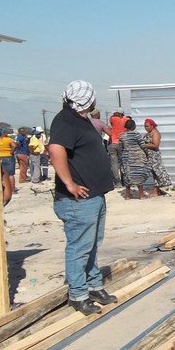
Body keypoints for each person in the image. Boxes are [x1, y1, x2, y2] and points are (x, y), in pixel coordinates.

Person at [48, 80, 117, 315]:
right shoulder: (65, 120)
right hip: (78, 200)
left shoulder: (80, 119)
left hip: (94, 195)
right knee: (80, 246)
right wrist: (69, 183)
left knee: (92, 244)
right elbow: (55, 149)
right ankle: (78, 294)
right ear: (88, 99)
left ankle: (93, 284)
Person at [121, 119, 150, 200]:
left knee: (127, 175)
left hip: (126, 157)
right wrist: (147, 154)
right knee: (139, 174)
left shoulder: (122, 135)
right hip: (137, 157)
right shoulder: (137, 134)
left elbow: (120, 147)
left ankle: (127, 196)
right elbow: (143, 146)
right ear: (134, 126)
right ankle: (141, 195)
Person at [143, 118, 172, 196]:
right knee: (154, 173)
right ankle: (156, 190)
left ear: (152, 126)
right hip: (149, 156)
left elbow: (156, 145)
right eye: (145, 126)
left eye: (147, 126)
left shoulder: (155, 133)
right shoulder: (149, 133)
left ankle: (156, 190)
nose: (146, 128)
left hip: (154, 156)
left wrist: (144, 145)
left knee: (158, 172)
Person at [108, 108, 128, 188]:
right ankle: (125, 181)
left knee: (114, 163)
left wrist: (114, 114)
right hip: (122, 143)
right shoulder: (126, 119)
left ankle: (117, 182)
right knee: (123, 162)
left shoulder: (113, 118)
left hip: (112, 142)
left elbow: (111, 120)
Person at [0, 128, 16, 205]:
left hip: (0, 157)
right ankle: (12, 190)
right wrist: (11, 152)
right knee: (10, 175)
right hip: (8, 157)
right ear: (4, 133)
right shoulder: (8, 139)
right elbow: (14, 146)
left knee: (2, 175)